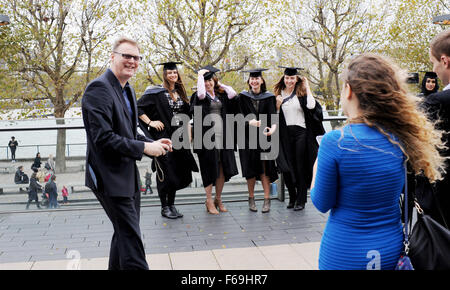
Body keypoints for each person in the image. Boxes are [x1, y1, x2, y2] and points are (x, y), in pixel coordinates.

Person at [310, 53, 446, 270]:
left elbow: (321, 202)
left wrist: (316, 169)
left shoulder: (335, 142)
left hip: (345, 251)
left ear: (349, 90)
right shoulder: (401, 139)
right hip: (390, 248)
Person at [82, 37, 172, 270]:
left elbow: (130, 131)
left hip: (127, 175)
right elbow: (103, 138)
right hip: (108, 177)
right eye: (126, 56)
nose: (132, 61)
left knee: (124, 234)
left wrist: (151, 142)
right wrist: (144, 148)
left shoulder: (128, 89)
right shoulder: (98, 88)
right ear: (112, 56)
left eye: (136, 57)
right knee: (131, 239)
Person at [137, 61, 199, 219]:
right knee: (165, 172)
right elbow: (138, 108)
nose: (172, 75)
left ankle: (172, 205)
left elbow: (187, 116)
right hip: (163, 138)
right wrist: (150, 122)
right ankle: (164, 207)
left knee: (176, 172)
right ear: (164, 75)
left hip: (179, 139)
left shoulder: (180, 93)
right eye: (169, 73)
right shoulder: (156, 92)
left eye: (175, 73)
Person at [274, 66, 325, 211]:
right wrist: (277, 106)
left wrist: (307, 86)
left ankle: (301, 199)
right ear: (283, 78)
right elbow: (274, 117)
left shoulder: (301, 94)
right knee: (287, 167)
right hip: (284, 134)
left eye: (292, 78)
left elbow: (311, 106)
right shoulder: (278, 94)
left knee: (300, 166)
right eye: (287, 78)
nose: (289, 80)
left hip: (301, 133)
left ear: (297, 79)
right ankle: (292, 196)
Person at [190, 66, 239, 215]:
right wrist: (200, 75)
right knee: (209, 169)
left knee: (222, 168)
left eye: (209, 80)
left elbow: (233, 94)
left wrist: (219, 84)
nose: (207, 83)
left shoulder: (221, 95)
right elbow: (200, 94)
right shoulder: (199, 97)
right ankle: (209, 200)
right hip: (206, 139)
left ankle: (218, 198)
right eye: (204, 81)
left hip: (223, 137)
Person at [236, 68, 278, 213]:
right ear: (249, 81)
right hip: (247, 138)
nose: (254, 81)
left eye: (257, 79)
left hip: (264, 136)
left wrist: (273, 129)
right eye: (252, 79)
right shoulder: (242, 97)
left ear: (261, 80)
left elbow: (273, 116)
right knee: (250, 170)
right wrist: (249, 123)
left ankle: (267, 200)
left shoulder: (269, 97)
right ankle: (251, 198)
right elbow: (237, 117)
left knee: (265, 169)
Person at [421, 29, 450, 227]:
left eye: (434, 63)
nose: (435, 70)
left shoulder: (436, 104)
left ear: (444, 61)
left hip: (443, 205)